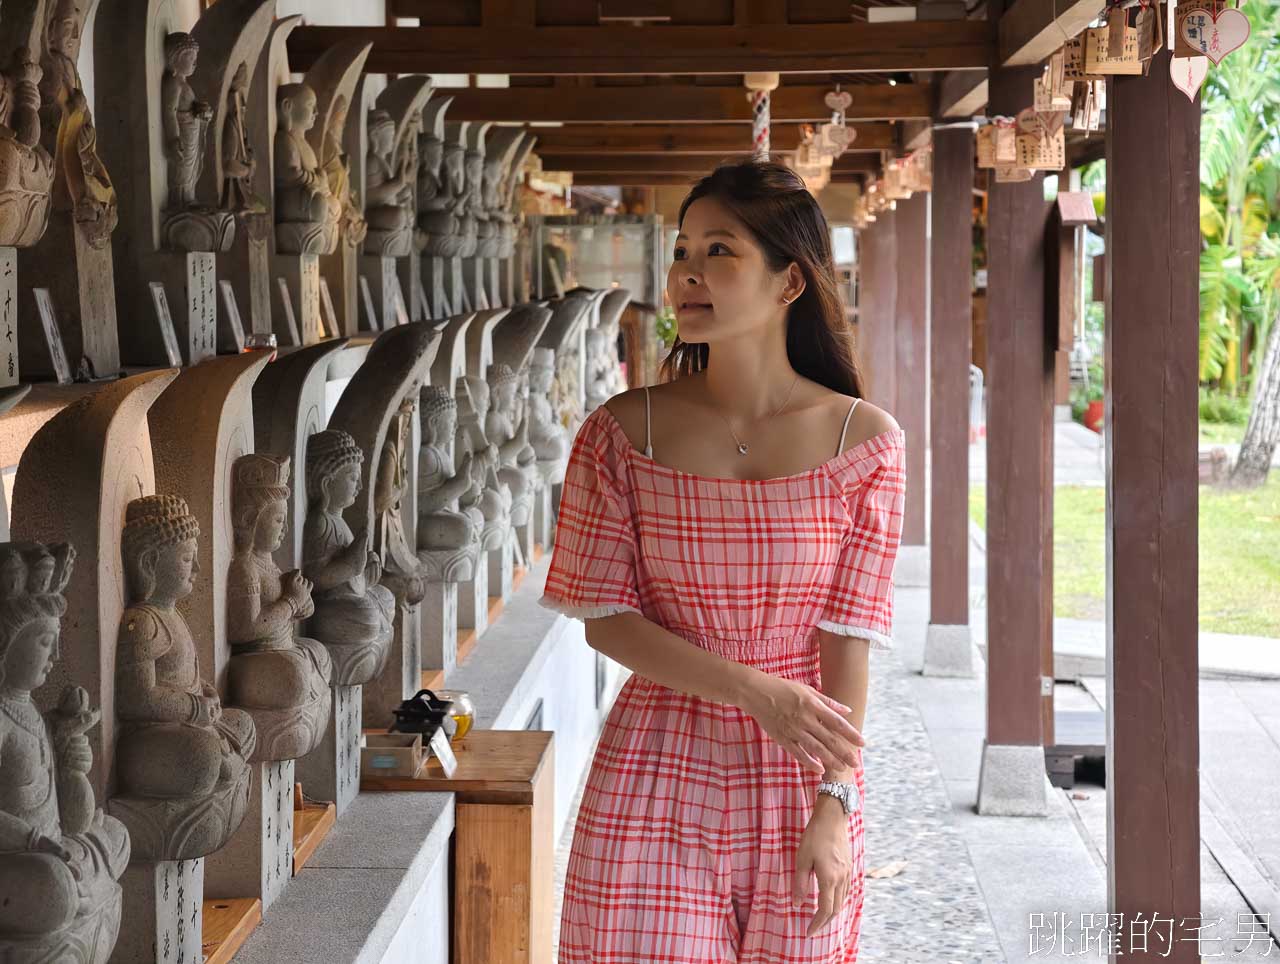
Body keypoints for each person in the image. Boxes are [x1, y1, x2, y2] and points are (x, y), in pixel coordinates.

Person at [539, 159, 906, 962]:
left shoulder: (866, 443)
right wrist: (751, 689)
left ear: (790, 283)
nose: (687, 275)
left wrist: (835, 806)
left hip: (802, 775)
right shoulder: (619, 433)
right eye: (682, 253)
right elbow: (605, 619)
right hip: (655, 762)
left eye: (720, 252)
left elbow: (849, 641)